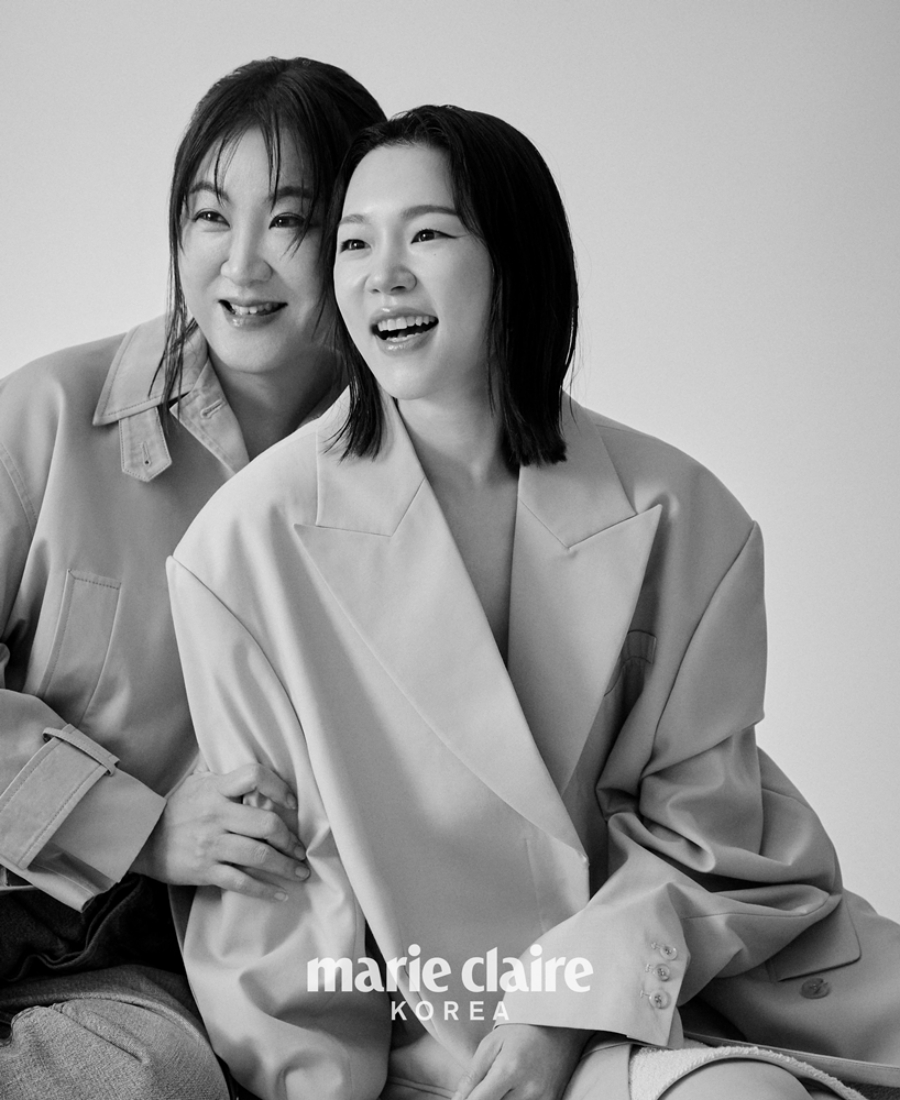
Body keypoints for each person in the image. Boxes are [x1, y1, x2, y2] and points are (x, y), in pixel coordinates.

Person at [167, 106, 900, 1100]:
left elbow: (709, 836)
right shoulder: (239, 546)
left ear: (515, 259)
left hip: (679, 983)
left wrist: (563, 1004)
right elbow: (277, 902)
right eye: (353, 243)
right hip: (434, 1043)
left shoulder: (684, 512)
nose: (382, 276)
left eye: (428, 234)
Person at [0, 57, 384, 1098]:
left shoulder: (403, 483)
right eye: (210, 215)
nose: (240, 262)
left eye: (290, 220)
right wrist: (135, 823)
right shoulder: (46, 417)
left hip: (188, 967)